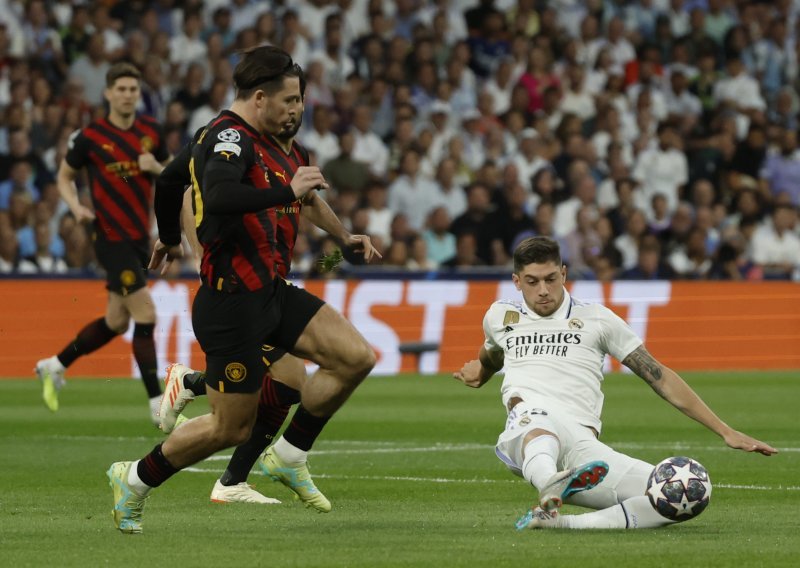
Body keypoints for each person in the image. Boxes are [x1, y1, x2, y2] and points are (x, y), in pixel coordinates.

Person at [106, 46, 377, 534]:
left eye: (300, 100)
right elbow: (223, 195)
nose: (297, 109)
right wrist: (285, 193)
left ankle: (289, 455)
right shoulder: (229, 137)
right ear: (259, 98)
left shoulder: (281, 144)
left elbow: (169, 180)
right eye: (290, 100)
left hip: (272, 292)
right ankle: (135, 478)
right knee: (230, 428)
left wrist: (344, 239)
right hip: (231, 303)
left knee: (355, 356)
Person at [453, 236, 777, 530]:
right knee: (538, 421)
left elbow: (659, 377)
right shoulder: (500, 316)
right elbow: (493, 354)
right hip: (529, 424)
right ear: (516, 281)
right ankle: (549, 481)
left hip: (583, 446)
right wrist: (480, 371)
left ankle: (558, 522)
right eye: (532, 282)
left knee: (680, 495)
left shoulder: (597, 319)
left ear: (564, 274)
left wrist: (725, 430)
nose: (543, 290)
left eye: (551, 279)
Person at [35, 63, 170, 420]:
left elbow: (174, 174)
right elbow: (64, 177)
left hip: (139, 237)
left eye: (133, 89)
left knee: (116, 322)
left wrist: (155, 168)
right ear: (108, 93)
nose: (127, 95)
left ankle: (56, 364)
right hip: (109, 237)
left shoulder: (151, 132)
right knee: (146, 313)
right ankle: (158, 404)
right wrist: (75, 205)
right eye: (121, 89)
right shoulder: (90, 137)